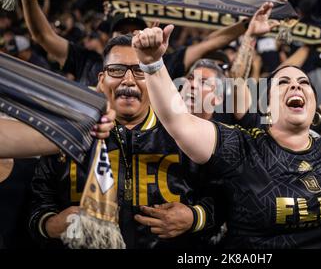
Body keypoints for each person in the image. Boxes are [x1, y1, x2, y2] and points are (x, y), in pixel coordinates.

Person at [130, 4, 321, 249]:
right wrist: (152, 64)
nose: (296, 86)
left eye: (303, 82)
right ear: (265, 105)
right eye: (283, 82)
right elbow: (179, 121)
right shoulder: (243, 146)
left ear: (313, 107)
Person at [28, 34, 224, 249]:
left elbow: (224, 198)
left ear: (154, 81)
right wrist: (49, 224)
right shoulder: (68, 132)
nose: (128, 80)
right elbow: (36, 199)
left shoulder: (185, 134)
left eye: (140, 70)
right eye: (117, 70)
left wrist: (195, 218)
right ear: (102, 80)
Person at [19, 0, 253, 87]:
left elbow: (209, 44)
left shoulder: (164, 65)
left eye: (134, 31)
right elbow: (42, 36)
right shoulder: (86, 61)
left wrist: (247, 25)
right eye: (122, 31)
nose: (129, 36)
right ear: (106, 37)